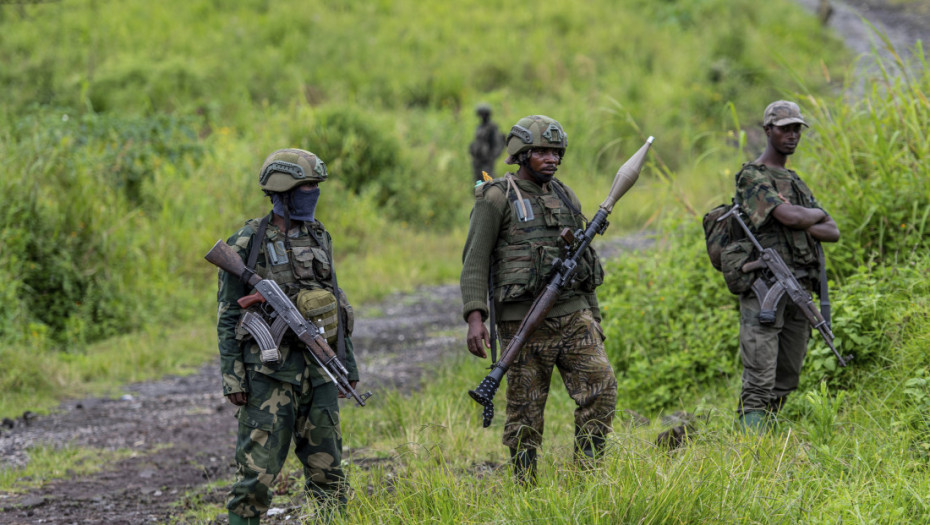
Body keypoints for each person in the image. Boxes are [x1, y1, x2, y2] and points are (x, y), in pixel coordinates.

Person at [460, 115, 617, 483]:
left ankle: (587, 477)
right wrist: (475, 317)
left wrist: (593, 315)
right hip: (522, 322)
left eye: (557, 152)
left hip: (574, 315)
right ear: (522, 153)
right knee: (526, 412)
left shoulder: (564, 194)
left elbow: (582, 259)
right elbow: (475, 261)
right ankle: (526, 487)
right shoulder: (497, 197)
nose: (552, 159)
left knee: (602, 389)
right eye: (543, 152)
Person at [216, 149, 359, 524]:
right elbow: (229, 312)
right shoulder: (248, 240)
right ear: (284, 190)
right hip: (269, 377)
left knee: (329, 476)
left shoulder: (318, 235)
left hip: (320, 371)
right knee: (255, 482)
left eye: (316, 186)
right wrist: (233, 376)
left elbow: (336, 302)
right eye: (307, 186)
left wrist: (346, 363)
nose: (313, 192)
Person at [733, 101, 840, 432]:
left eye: (797, 129)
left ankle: (768, 438)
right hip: (765, 286)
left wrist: (802, 219)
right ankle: (747, 450)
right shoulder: (752, 176)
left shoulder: (794, 181)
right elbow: (790, 216)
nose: (792, 135)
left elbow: (832, 230)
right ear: (768, 131)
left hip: (799, 287)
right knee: (760, 375)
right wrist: (807, 217)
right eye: (785, 128)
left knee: (787, 375)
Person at [468, 103, 506, 183]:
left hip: (487, 161)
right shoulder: (480, 127)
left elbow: (497, 144)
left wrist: (491, 157)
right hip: (478, 160)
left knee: (488, 182)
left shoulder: (492, 127)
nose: (482, 116)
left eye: (483, 114)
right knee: (478, 183)